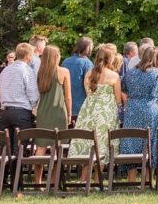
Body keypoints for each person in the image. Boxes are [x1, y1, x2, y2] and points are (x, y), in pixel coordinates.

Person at [71, 44, 123, 178]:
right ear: (110, 59)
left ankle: (84, 179)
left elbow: (88, 93)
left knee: (89, 144)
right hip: (106, 114)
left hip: (88, 112)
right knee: (103, 144)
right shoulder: (114, 76)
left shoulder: (89, 74)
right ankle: (96, 179)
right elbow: (118, 100)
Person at [120, 46, 158, 183]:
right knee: (152, 142)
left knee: (131, 141)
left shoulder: (130, 72)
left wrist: (129, 103)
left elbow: (123, 90)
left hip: (133, 110)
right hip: (153, 109)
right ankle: (148, 178)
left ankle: (131, 180)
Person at [34, 45, 71, 186]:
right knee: (57, 147)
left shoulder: (40, 72)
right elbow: (68, 96)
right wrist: (68, 114)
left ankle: (38, 181)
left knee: (41, 147)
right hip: (58, 111)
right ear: (56, 56)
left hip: (43, 112)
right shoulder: (63, 71)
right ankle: (53, 180)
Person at [0, 43, 39, 156]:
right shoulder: (27, 70)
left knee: (5, 147)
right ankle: (16, 172)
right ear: (28, 56)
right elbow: (33, 93)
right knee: (19, 147)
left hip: (6, 111)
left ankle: (4, 172)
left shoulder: (5, 70)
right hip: (22, 111)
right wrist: (33, 106)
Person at [62, 37, 94, 120]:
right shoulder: (87, 63)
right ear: (88, 48)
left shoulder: (66, 61)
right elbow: (87, 85)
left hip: (66, 105)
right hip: (81, 105)